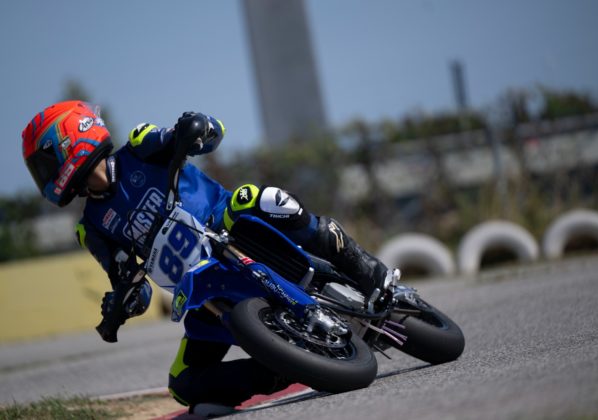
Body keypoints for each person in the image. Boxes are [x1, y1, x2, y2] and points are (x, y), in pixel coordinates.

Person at [21, 100, 398, 416]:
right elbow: (128, 278)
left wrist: (196, 128)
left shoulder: (138, 145)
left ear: (70, 139)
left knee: (259, 198)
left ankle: (363, 268)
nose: (45, 177)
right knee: (183, 384)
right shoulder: (90, 227)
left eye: (44, 163)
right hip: (201, 288)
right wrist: (123, 301)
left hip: (228, 224)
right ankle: (288, 366)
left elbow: (209, 133)